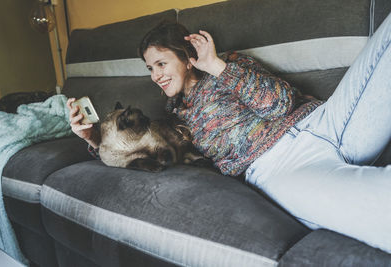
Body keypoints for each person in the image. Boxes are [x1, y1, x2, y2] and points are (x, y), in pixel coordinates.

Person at [67, 15, 391, 253]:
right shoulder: (173, 117)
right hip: (280, 167)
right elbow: (143, 152)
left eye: (161, 64)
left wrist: (217, 66)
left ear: (186, 58)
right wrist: (93, 139)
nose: (155, 76)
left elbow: (279, 103)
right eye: (150, 69)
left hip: (323, 120)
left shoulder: (230, 64)